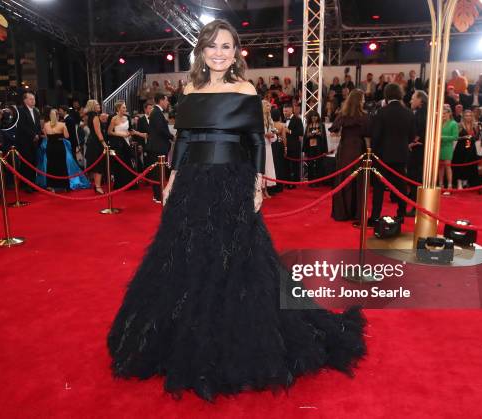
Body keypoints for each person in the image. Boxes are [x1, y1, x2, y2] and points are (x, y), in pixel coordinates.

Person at [107, 19, 366, 403]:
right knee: (186, 259)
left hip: (232, 182)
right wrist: (172, 180)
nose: (218, 52)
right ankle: (183, 340)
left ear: (236, 52)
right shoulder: (190, 88)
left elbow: (255, 139)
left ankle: (236, 343)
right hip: (192, 183)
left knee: (237, 262)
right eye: (212, 45)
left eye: (226, 46)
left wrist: (257, 182)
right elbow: (185, 138)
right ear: (201, 50)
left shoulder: (245, 88)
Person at [369, 83, 415, 225]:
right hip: (401, 154)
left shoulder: (381, 112)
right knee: (401, 186)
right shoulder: (408, 112)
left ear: (386, 95)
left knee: (378, 188)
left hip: (382, 156)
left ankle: (376, 216)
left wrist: (373, 152)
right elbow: (412, 136)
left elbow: (375, 136)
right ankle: (401, 215)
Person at [329, 89, 369, 222]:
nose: (364, 101)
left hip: (346, 148)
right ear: (359, 100)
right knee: (358, 180)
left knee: (344, 179)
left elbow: (333, 131)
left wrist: (342, 133)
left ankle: (342, 212)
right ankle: (357, 212)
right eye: (362, 99)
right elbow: (368, 134)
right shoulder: (364, 115)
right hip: (358, 148)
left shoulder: (343, 114)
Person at [146, 93, 173, 202]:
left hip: (158, 146)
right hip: (158, 147)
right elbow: (161, 130)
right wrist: (172, 137)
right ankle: (158, 196)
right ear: (161, 100)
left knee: (158, 173)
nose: (168, 103)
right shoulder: (156, 112)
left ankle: (158, 195)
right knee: (157, 173)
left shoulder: (156, 112)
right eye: (166, 100)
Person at [406, 90, 428, 216]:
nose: (411, 100)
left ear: (420, 100)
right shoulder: (423, 113)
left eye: (413, 98)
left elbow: (418, 132)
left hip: (418, 152)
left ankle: (416, 208)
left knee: (415, 179)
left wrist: (412, 142)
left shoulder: (420, 115)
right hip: (420, 150)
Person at [16, 92, 41, 192]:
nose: (33, 101)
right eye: (31, 99)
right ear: (25, 100)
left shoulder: (36, 111)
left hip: (34, 142)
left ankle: (33, 183)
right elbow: (22, 126)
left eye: (34, 99)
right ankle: (26, 185)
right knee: (26, 164)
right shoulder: (21, 111)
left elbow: (38, 125)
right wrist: (33, 135)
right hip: (24, 142)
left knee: (34, 163)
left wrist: (38, 134)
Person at [108, 101, 136, 190]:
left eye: (125, 107)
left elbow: (130, 129)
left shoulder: (127, 117)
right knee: (120, 164)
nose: (125, 109)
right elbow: (109, 132)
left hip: (127, 142)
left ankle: (129, 184)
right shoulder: (113, 119)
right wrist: (121, 135)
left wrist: (131, 135)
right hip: (118, 143)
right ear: (118, 108)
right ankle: (120, 185)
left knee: (128, 163)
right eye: (123, 107)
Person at [452, 109, 481, 189]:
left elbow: (477, 137)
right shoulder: (459, 125)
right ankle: (459, 181)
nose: (468, 117)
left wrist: (475, 136)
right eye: (466, 115)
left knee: (470, 164)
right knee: (460, 164)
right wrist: (464, 137)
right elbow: (456, 137)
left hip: (471, 148)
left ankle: (466, 181)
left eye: (470, 115)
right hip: (461, 148)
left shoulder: (475, 126)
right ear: (463, 117)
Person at [84, 99, 107, 194]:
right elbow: (98, 132)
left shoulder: (89, 116)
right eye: (97, 104)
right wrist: (104, 143)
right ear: (93, 106)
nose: (99, 105)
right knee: (99, 165)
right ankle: (98, 186)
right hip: (96, 143)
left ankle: (97, 185)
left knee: (96, 165)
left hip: (92, 142)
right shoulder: (95, 117)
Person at [302, 110, 327, 187]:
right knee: (310, 164)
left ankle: (318, 181)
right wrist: (304, 150)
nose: (314, 118)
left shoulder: (321, 125)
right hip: (310, 147)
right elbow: (305, 138)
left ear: (317, 117)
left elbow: (324, 138)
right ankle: (311, 181)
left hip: (319, 147)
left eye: (315, 117)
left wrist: (325, 150)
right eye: (312, 117)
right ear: (310, 118)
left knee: (319, 164)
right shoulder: (308, 125)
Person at [282, 102, 304, 188]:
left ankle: (295, 183)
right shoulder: (283, 120)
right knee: (286, 165)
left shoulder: (297, 119)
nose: (284, 113)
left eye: (286, 111)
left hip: (294, 146)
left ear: (291, 110)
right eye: (283, 111)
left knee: (295, 165)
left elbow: (301, 133)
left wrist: (289, 131)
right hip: (285, 146)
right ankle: (286, 182)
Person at [439, 105, 459, 195]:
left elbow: (455, 137)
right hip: (439, 147)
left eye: (444, 113)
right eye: (442, 113)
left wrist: (442, 137)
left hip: (447, 147)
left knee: (447, 167)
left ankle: (449, 186)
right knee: (440, 167)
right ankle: (440, 185)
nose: (443, 115)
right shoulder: (439, 123)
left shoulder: (453, 123)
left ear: (449, 113)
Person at [261, 100, 277, 198]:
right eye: (267, 106)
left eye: (269, 106)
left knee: (268, 169)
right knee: (262, 169)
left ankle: (266, 190)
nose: (269, 108)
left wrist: (272, 136)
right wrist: (265, 135)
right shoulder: (258, 119)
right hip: (262, 147)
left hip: (268, 147)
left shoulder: (270, 119)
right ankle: (261, 190)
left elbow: (274, 132)